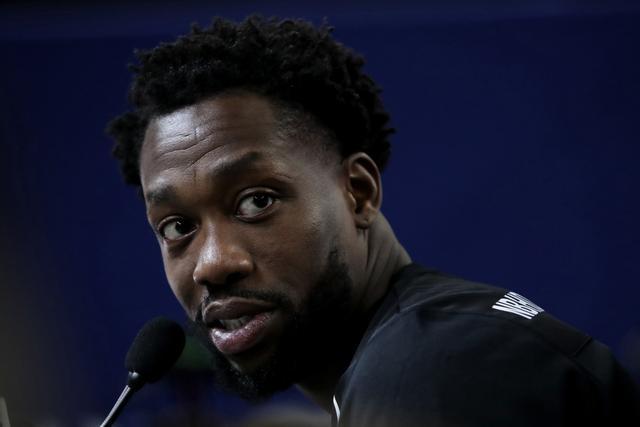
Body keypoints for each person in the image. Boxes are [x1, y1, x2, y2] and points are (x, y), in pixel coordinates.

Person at [107, 15, 640, 427]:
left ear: (358, 192)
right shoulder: (433, 344)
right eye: (177, 227)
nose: (212, 264)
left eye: (256, 201)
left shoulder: (429, 370)